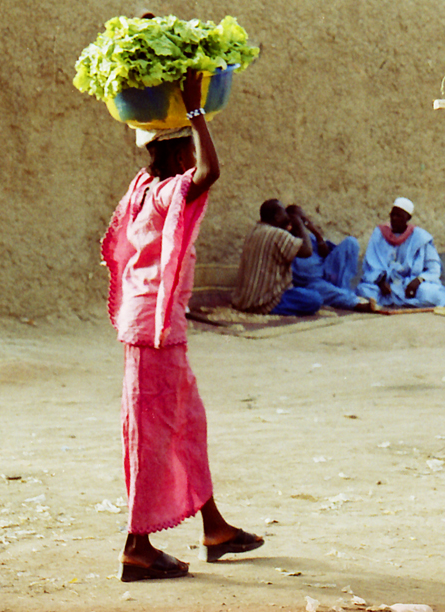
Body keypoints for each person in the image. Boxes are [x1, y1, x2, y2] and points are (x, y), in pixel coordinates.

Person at [101, 76, 263, 580]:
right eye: (186, 150)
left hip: (151, 325)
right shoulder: (167, 192)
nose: (192, 158)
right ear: (174, 155)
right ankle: (136, 546)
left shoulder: (142, 188)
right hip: (153, 330)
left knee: (186, 423)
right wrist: (195, 110)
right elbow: (211, 171)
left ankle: (215, 528)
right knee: (152, 434)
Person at [357, 197, 445, 308]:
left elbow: (434, 269)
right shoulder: (379, 234)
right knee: (364, 290)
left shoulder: (420, 237)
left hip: (410, 286)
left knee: (432, 293)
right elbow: (371, 264)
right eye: (392, 215)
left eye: (398, 216)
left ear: (408, 218)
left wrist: (418, 281)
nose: (394, 219)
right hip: (386, 287)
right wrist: (381, 282)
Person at [231, 199, 323, 315]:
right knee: (315, 299)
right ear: (277, 217)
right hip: (264, 302)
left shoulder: (254, 230)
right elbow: (307, 251)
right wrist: (299, 224)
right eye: (284, 212)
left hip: (243, 301)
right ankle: (273, 308)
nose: (287, 216)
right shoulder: (277, 234)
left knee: (303, 291)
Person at [290, 210, 375, 310]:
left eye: (304, 220)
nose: (304, 224)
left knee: (351, 242)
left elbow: (326, 253)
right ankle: (354, 302)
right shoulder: (287, 242)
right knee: (322, 291)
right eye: (300, 221)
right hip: (313, 283)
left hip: (328, 271)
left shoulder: (310, 238)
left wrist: (317, 234)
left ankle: (346, 294)